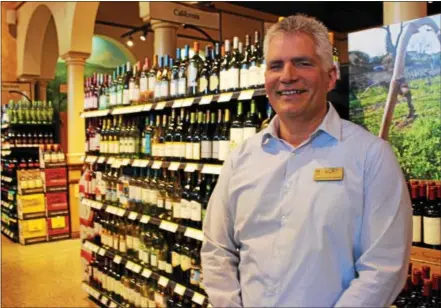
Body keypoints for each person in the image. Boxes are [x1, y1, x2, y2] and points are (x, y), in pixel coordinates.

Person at [201, 14, 412, 307]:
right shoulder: (240, 159)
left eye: (303, 62)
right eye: (276, 65)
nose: (287, 76)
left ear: (331, 76)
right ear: (266, 79)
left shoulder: (371, 157)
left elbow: (383, 267)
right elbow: (216, 251)